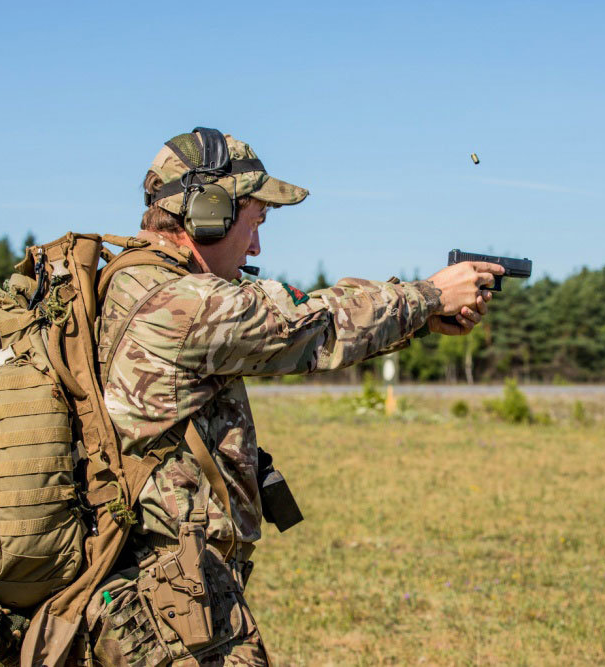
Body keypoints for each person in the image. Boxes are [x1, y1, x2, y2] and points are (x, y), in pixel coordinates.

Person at [88, 128, 505, 666]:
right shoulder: (179, 304)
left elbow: (302, 314)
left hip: (138, 585)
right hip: (170, 604)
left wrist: (422, 318)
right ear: (207, 211)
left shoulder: (128, 285)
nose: (257, 246)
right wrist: (429, 296)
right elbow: (309, 326)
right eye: (254, 222)